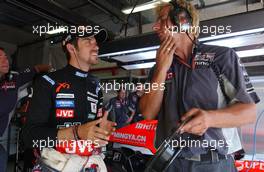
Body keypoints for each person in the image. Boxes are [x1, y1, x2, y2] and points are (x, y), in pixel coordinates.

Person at [140, 0, 260, 172]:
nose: (156, 27)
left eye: (162, 19)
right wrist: (160, 69)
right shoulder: (159, 67)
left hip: (213, 164)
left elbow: (249, 113)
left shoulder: (222, 57)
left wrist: (210, 118)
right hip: (170, 163)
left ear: (183, 21)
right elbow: (148, 112)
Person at [22, 26, 116, 170]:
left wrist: (100, 129)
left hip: (88, 164)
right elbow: (29, 137)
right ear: (72, 48)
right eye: (88, 41)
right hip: (54, 165)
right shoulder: (47, 81)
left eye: (96, 41)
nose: (96, 46)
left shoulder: (95, 85)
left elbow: (90, 129)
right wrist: (75, 133)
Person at [0, 47, 51, 172]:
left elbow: (37, 68)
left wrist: (53, 71)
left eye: (5, 57)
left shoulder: (12, 80)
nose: (5, 60)